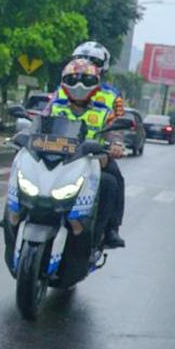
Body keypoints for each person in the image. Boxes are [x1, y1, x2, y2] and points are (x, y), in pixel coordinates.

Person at [45, 58, 125, 247]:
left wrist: (116, 144)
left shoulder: (104, 110)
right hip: (56, 160)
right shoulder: (55, 105)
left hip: (91, 163)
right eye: (72, 80)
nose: (79, 85)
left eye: (86, 81)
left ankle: (108, 231)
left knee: (111, 182)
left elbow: (114, 130)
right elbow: (38, 124)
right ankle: (14, 213)